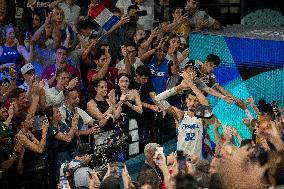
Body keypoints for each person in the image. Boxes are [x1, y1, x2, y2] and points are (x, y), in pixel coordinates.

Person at [155, 71, 215, 159]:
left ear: (200, 103)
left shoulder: (202, 116)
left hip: (199, 162)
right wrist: (180, 87)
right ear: (186, 100)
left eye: (196, 101)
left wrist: (191, 85)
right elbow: (157, 99)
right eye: (190, 100)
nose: (192, 103)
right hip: (182, 162)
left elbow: (206, 105)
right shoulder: (180, 115)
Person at [109, 73, 143, 156]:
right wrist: (121, 101)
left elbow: (140, 110)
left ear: (129, 82)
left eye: (126, 81)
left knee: (133, 147)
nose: (124, 84)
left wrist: (127, 103)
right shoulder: (113, 93)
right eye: (122, 81)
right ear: (118, 82)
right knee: (121, 148)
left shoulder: (134, 92)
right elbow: (116, 115)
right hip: (120, 124)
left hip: (133, 121)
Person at [87, 79, 116, 147]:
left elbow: (116, 115)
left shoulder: (108, 100)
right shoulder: (91, 103)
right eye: (102, 87)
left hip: (111, 133)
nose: (105, 89)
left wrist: (120, 101)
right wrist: (110, 111)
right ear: (96, 88)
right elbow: (101, 119)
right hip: (99, 136)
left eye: (106, 87)